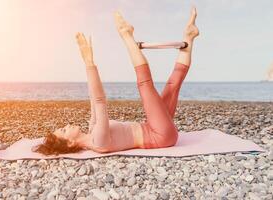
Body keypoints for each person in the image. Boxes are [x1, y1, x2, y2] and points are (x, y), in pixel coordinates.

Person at [32, 7, 199, 155]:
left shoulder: (93, 131)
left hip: (154, 128)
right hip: (159, 135)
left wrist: (88, 58)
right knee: (144, 84)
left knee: (172, 86)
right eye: (63, 130)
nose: (66, 125)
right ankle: (126, 35)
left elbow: (93, 98)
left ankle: (189, 37)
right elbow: (100, 100)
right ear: (69, 142)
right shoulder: (98, 141)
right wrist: (89, 63)